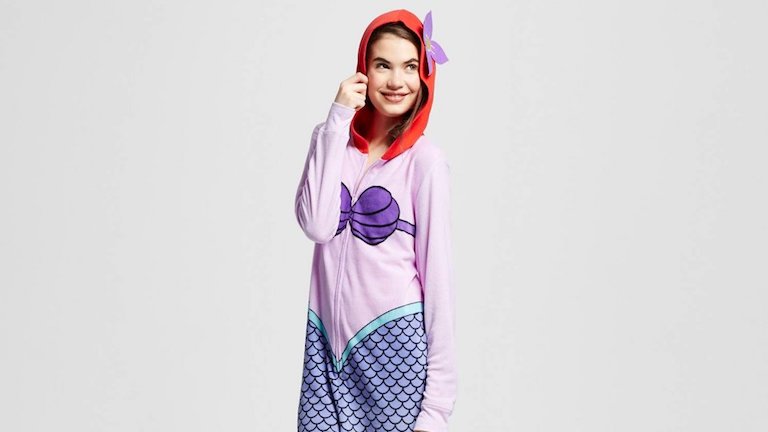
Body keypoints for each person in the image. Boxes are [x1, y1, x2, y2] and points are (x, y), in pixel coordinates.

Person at [294, 9, 455, 432]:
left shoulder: (425, 163)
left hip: (393, 357)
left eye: (409, 67)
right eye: (383, 65)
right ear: (363, 70)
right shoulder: (333, 142)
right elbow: (316, 226)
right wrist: (336, 121)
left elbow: (438, 280)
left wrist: (436, 409)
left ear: (424, 76)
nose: (396, 80)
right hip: (325, 349)